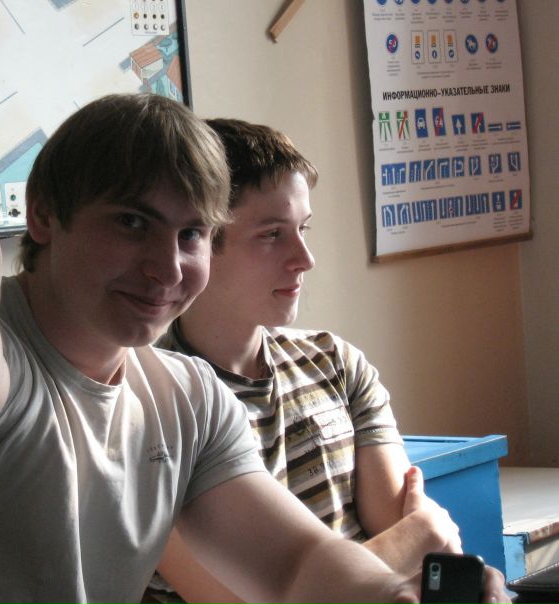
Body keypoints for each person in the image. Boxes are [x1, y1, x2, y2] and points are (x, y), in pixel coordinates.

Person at [0, 93, 419, 603]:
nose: (167, 268)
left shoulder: (189, 400)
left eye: (191, 234)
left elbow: (296, 565)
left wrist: (396, 596)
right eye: (132, 222)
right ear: (43, 215)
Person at [150, 118, 509, 604]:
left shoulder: (335, 363)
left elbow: (424, 549)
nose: (304, 258)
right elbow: (422, 534)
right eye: (272, 234)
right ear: (201, 240)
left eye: (303, 229)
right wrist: (418, 534)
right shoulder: (154, 401)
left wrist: (423, 547)